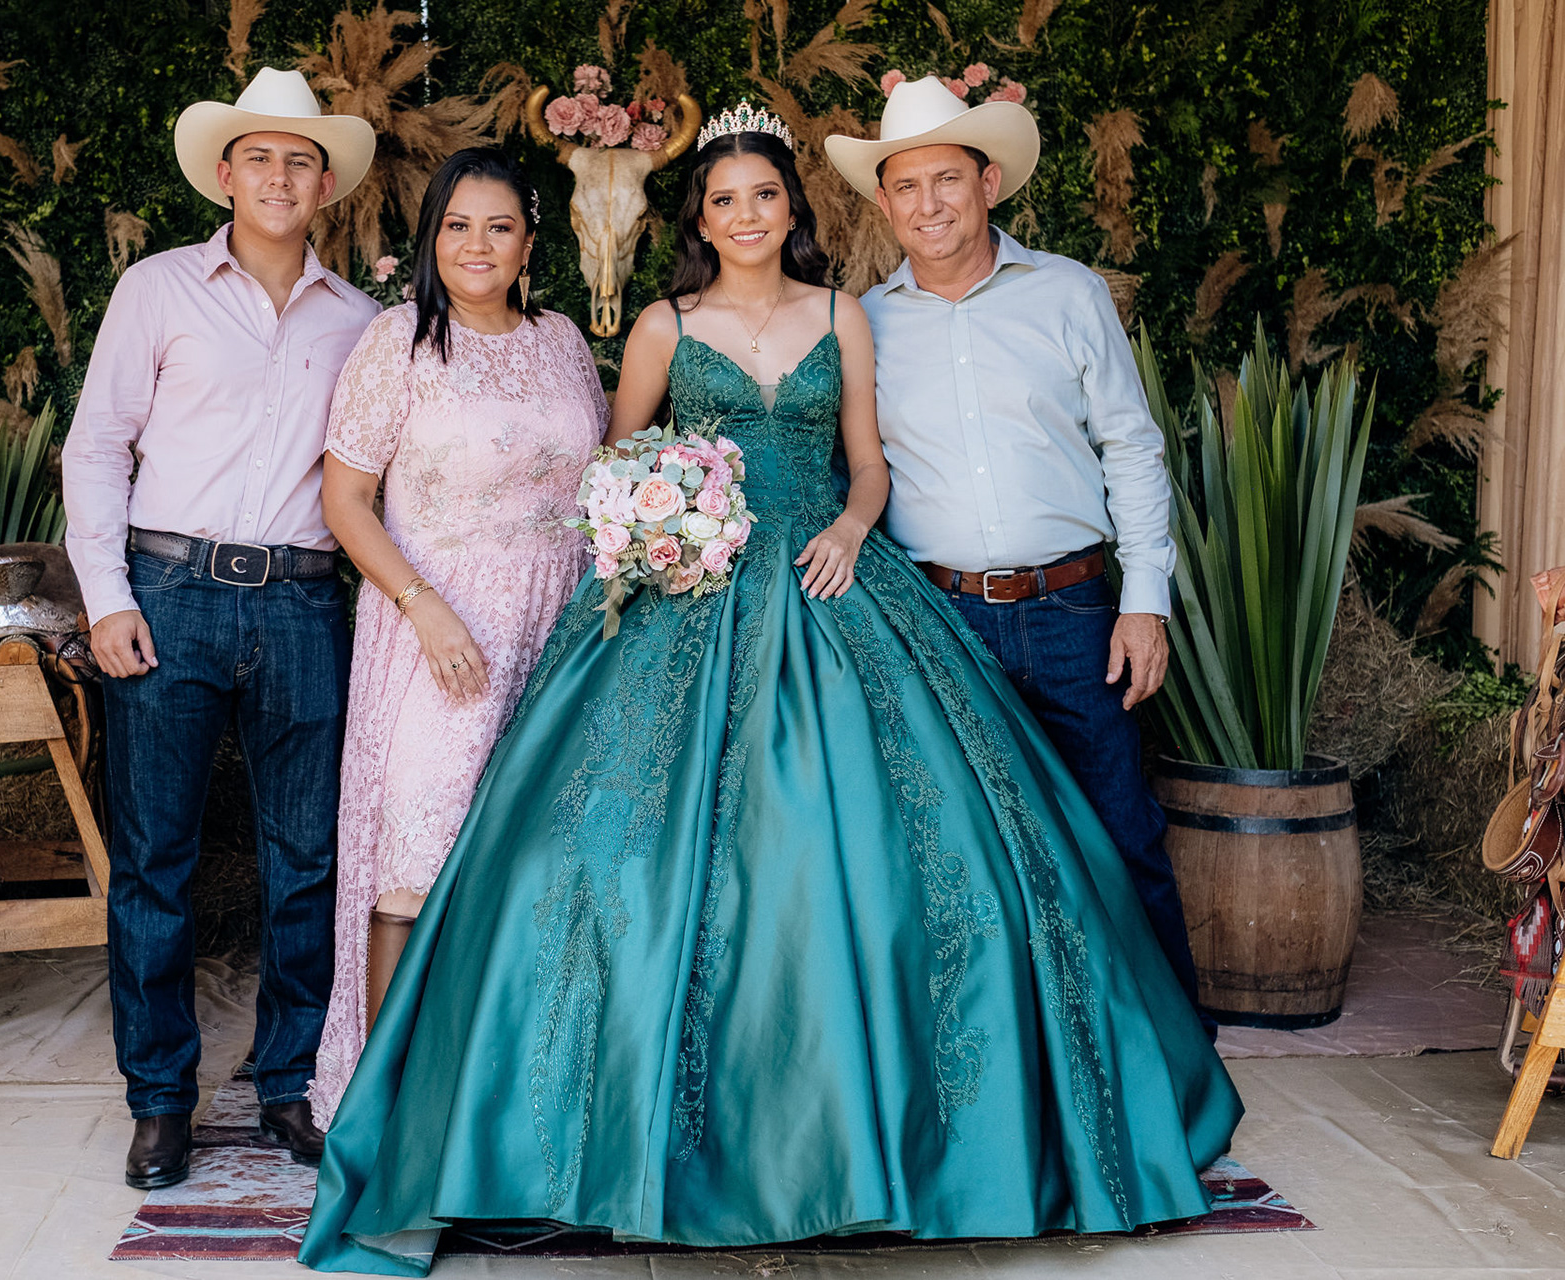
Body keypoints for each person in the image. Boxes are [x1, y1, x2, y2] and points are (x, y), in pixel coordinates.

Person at [295, 103, 1241, 1273]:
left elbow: (869, 462)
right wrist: (663, 525)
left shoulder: (847, 314)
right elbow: (611, 465)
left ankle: (934, 1131)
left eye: (764, 196)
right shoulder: (660, 324)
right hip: (690, 598)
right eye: (723, 199)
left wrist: (849, 525)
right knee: (596, 858)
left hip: (832, 581)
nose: (745, 215)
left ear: (794, 209)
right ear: (699, 219)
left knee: (927, 853)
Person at [825, 76, 1208, 1025]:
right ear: (884, 204)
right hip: (938, 618)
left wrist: (1144, 601)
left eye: (947, 180)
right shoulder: (864, 324)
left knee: (1120, 831)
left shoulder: (1069, 293)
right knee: (968, 850)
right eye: (906, 187)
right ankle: (1023, 1064)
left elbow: (1132, 446)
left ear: (988, 182)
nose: (928, 205)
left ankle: (1177, 1056)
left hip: (1074, 612)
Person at [61, 67, 379, 1190]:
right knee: (155, 861)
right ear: (226, 175)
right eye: (260, 158)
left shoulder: (365, 322)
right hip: (170, 593)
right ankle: (159, 1101)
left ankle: (291, 1082)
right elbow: (98, 445)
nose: (279, 177)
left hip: (304, 601)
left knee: (307, 860)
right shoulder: (157, 289)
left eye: (300, 160)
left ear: (326, 183)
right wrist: (108, 597)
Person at [308, 149, 607, 1128]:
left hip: (556, 632)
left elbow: (597, 483)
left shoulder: (562, 340)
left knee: (531, 860)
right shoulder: (397, 340)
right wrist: (422, 604)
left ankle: (503, 1105)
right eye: (457, 226)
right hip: (438, 633)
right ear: (432, 236)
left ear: (529, 242)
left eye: (499, 227)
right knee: (419, 850)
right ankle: (388, 1116)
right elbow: (345, 500)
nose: (477, 245)